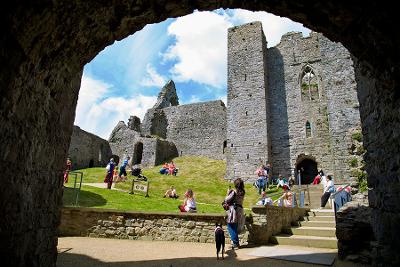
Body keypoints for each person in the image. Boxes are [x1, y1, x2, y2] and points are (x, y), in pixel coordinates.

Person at [224, 178, 245, 250]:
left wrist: (228, 193)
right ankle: (236, 243)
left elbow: (227, 199)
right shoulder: (242, 192)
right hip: (240, 209)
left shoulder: (234, 192)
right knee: (234, 226)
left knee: (231, 226)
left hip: (234, 210)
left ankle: (235, 243)